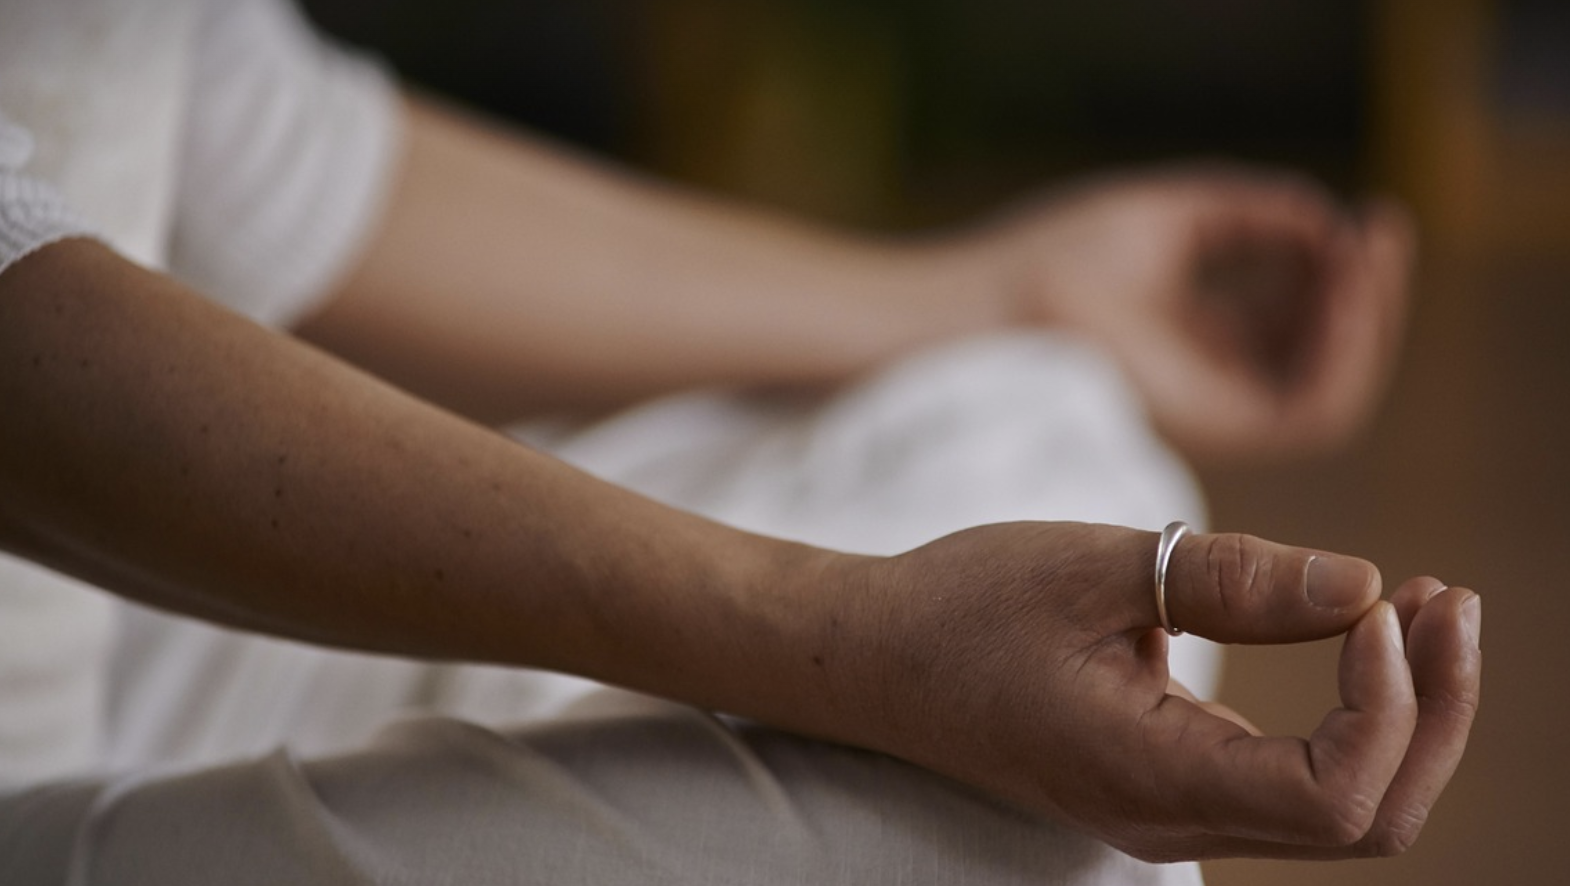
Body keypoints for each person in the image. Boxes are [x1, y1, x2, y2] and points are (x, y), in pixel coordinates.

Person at [0, 0, 1480, 883]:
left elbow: (265, 143)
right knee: (1023, 854)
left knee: (1044, 404)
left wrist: (994, 295)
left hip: (157, 626)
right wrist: (838, 636)